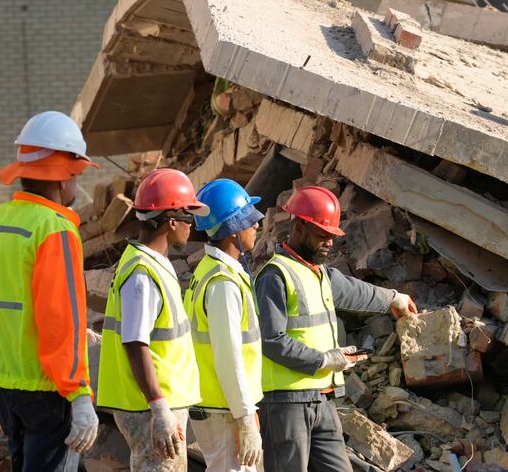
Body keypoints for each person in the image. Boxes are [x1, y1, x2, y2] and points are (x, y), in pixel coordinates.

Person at [0, 110, 100, 472]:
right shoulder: (54, 230)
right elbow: (62, 319)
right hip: (47, 392)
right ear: (65, 176)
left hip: (3, 388)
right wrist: (79, 393)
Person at [255, 185, 418, 472]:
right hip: (285, 402)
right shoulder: (274, 275)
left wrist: (394, 298)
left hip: (322, 397)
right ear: (300, 228)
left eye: (332, 236)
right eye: (322, 235)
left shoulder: (318, 274)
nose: (329, 243)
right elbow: (271, 340)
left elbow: (355, 291)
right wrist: (324, 360)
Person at [97, 168, 208, 472]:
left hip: (156, 404)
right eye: (190, 217)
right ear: (172, 221)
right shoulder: (142, 274)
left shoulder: (151, 265)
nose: (192, 227)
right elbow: (135, 343)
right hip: (150, 407)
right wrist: (159, 407)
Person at [184, 179, 265, 472]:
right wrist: (245, 418)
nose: (256, 226)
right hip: (224, 409)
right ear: (233, 228)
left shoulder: (211, 273)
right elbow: (228, 356)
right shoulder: (222, 282)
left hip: (223, 405)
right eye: (250, 220)